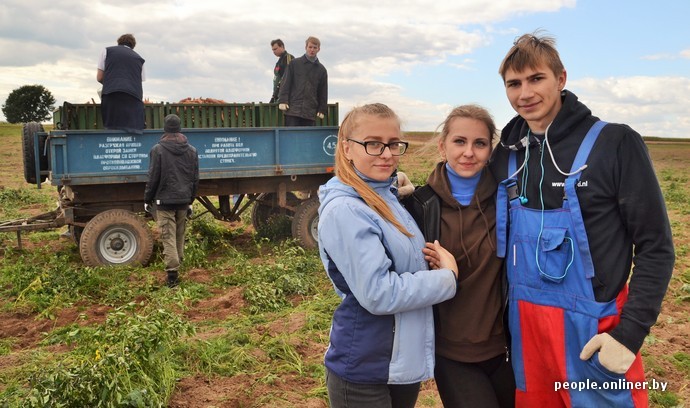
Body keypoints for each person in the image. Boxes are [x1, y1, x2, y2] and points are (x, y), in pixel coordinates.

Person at [490, 31, 674, 407]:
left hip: (594, 333)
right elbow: (463, 201)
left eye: (536, 79)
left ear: (561, 79)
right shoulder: (506, 155)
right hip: (526, 333)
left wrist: (629, 336)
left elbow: (656, 246)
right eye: (514, 84)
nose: (524, 93)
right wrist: (410, 194)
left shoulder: (615, 143)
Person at [317, 103, 459, 408]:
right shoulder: (347, 210)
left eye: (394, 144)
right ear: (347, 149)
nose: (387, 154)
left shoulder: (381, 194)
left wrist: (397, 192)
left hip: (397, 365)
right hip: (364, 369)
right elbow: (378, 293)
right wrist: (446, 279)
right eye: (373, 144)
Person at [406, 105, 515, 407]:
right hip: (451, 351)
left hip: (507, 349)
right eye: (459, 141)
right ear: (442, 145)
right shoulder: (419, 205)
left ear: (490, 150)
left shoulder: (508, 201)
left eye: (479, 143)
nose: (469, 152)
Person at [144, 114, 199, 288]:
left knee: (167, 237)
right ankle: (178, 262)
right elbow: (195, 178)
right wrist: (190, 199)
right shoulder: (191, 150)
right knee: (179, 235)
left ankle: (172, 276)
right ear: (179, 128)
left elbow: (153, 177)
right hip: (183, 200)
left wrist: (148, 199)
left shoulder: (157, 150)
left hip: (164, 201)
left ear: (165, 129)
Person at [97, 33, 146, 133]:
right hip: (133, 98)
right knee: (133, 133)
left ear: (118, 42)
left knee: (112, 132)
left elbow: (99, 77)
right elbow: (138, 82)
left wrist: (111, 83)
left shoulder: (107, 51)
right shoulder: (140, 59)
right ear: (133, 46)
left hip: (112, 95)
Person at [277, 36, 328, 126]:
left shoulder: (321, 70)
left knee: (308, 139)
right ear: (306, 47)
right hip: (292, 110)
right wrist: (283, 100)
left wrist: (322, 109)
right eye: (310, 47)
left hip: (310, 113)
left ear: (318, 49)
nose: (312, 50)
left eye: (315, 48)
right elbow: (286, 83)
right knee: (291, 138)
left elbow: (323, 91)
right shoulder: (294, 64)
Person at [269, 39, 294, 103]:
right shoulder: (279, 61)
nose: (274, 52)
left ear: (282, 47)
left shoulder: (288, 58)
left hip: (285, 96)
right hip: (277, 95)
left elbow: (287, 77)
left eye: (275, 49)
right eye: (272, 50)